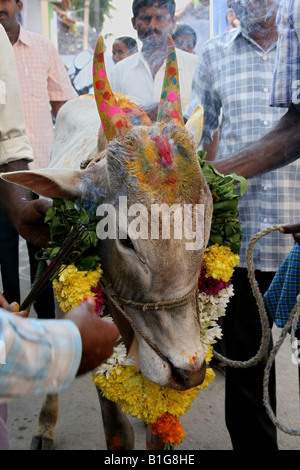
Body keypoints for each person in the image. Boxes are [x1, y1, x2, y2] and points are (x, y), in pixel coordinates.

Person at [186, 0, 300, 450]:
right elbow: (198, 135)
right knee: (246, 368)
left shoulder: (297, 43)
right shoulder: (214, 54)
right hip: (242, 242)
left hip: (297, 237)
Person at [0, 0, 76, 319]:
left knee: (41, 250)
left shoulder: (43, 48)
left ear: (20, 5)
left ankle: (45, 325)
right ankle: (13, 325)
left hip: (40, 171)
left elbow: (67, 109)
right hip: (3, 175)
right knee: (4, 249)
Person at [110, 0, 198, 120]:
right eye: (145, 18)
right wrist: (141, 113)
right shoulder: (119, 72)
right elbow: (111, 122)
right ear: (134, 23)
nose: (152, 26)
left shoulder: (195, 66)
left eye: (160, 17)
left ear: (173, 22)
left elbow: (211, 126)